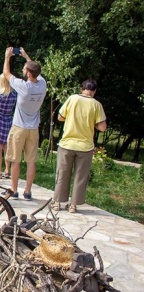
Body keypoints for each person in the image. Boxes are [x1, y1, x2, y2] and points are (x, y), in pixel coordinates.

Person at [52, 79, 106, 213]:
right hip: (85, 146)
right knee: (80, 176)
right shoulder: (96, 105)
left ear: (82, 88)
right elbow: (103, 127)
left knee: (62, 174)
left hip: (67, 143)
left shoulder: (72, 99)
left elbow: (60, 117)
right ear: (94, 91)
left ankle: (57, 203)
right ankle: (73, 205)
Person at [3, 47, 47, 200]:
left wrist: (7, 57)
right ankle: (28, 191)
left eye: (24, 69)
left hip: (19, 128)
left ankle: (14, 190)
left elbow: (7, 74)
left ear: (28, 73)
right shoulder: (42, 85)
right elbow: (36, 72)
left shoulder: (24, 87)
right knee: (31, 161)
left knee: (15, 160)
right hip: (33, 128)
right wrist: (26, 56)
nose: (22, 70)